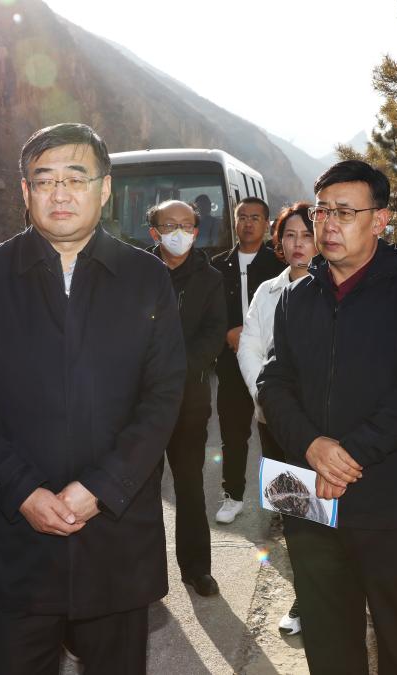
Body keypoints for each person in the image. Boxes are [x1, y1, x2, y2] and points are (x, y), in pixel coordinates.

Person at [0, 122, 186, 675]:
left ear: (105, 189)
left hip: (115, 533)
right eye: (44, 179)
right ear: (25, 191)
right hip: (18, 534)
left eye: (76, 179)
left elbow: (163, 396)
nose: (60, 193)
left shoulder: (145, 277)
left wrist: (100, 488)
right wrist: (23, 490)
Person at [258, 160, 397, 673]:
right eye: (322, 211)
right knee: (326, 637)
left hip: (390, 498)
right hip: (305, 492)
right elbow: (273, 383)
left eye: (345, 212)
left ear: (380, 220)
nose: (328, 224)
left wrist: (346, 456)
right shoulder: (297, 295)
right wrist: (312, 446)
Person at [236, 202, 317, 634]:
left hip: (318, 426)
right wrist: (264, 397)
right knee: (293, 511)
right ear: (279, 243)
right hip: (272, 420)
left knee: (324, 514)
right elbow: (249, 346)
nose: (298, 243)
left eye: (306, 235)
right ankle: (306, 597)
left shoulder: (332, 288)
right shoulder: (267, 290)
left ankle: (333, 594)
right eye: (289, 235)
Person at [147, 199, 227, 597]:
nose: (178, 233)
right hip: (142, 402)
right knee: (140, 489)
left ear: (196, 232)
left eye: (186, 225)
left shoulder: (210, 279)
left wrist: (178, 368)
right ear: (154, 232)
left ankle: (196, 569)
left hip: (189, 400)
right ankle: (144, 577)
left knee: (190, 485)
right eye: (169, 225)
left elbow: (214, 333)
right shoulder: (137, 273)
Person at [211, 196, 285, 523]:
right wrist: (227, 331)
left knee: (277, 431)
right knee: (233, 432)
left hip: (272, 363)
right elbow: (209, 312)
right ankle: (233, 496)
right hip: (231, 363)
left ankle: (284, 503)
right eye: (242, 217)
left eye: (255, 217)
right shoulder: (218, 265)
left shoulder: (278, 265)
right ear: (234, 221)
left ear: (267, 224)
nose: (248, 223)